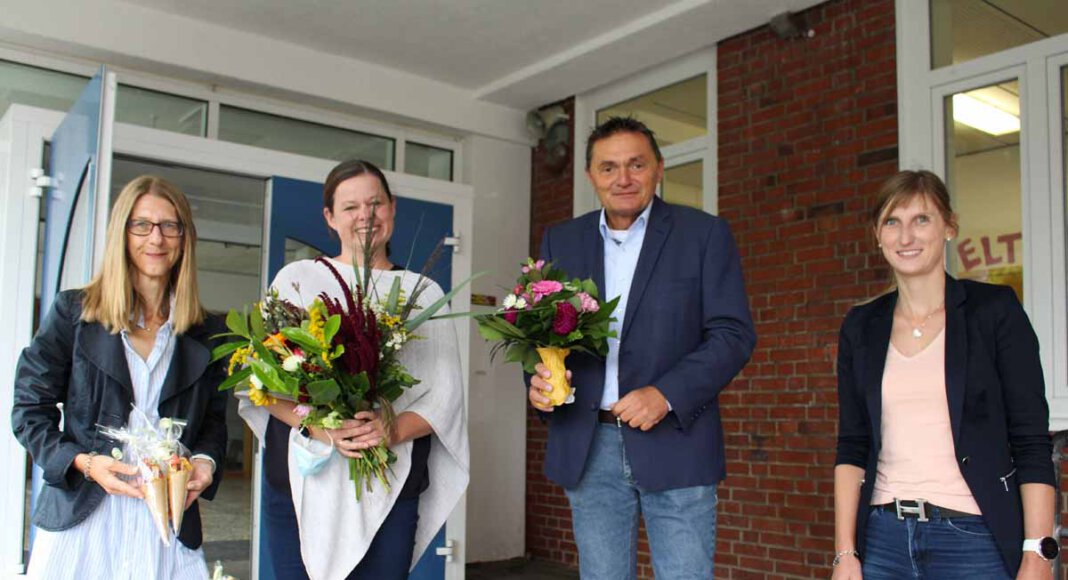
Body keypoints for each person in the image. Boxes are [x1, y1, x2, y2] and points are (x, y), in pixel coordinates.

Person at [527, 116, 756, 579]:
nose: (623, 179)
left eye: (636, 164)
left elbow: (733, 334)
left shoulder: (704, 235)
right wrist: (538, 382)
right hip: (588, 446)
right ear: (591, 176)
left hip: (676, 440)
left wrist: (665, 394)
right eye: (608, 168)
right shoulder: (562, 240)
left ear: (659, 168)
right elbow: (539, 331)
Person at [239, 159, 468, 580]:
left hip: (389, 484)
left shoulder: (422, 293)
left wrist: (390, 430)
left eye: (375, 203)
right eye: (350, 207)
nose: (366, 216)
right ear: (329, 217)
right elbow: (263, 384)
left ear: (392, 208)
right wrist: (321, 426)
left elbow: (446, 397)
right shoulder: (297, 280)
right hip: (301, 486)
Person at [832, 170, 1057, 579]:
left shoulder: (994, 312)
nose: (906, 237)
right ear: (877, 235)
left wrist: (1037, 553)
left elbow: (1031, 441)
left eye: (922, 220)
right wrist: (845, 554)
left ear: (949, 227)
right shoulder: (861, 327)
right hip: (884, 542)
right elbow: (851, 445)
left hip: (974, 540)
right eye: (892, 222)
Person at [12, 175, 229, 579]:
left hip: (166, 524)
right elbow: (29, 410)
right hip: (82, 522)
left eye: (170, 225)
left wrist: (204, 463)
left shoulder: (206, 331)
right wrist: (86, 463)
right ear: (122, 233)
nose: (156, 238)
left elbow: (213, 422)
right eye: (141, 225)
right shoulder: (74, 314)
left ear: (184, 238)